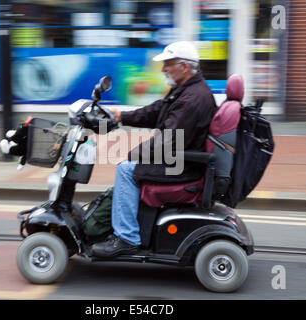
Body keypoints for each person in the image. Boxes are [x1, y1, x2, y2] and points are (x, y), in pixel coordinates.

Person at [91, 41, 217, 257]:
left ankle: (126, 238)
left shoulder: (193, 98)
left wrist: (132, 155)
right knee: (130, 164)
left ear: (184, 67)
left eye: (168, 64)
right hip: (181, 159)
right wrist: (121, 116)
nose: (163, 69)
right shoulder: (186, 90)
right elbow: (157, 110)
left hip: (184, 167)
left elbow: (168, 142)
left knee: (125, 169)